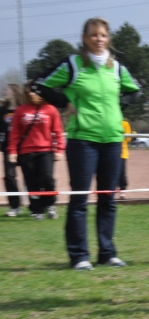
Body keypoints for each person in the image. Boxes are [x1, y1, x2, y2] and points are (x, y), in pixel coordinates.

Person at [32, 17, 141, 270]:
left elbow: (136, 90)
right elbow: (38, 84)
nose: (98, 39)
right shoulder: (72, 64)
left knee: (108, 199)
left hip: (113, 139)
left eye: (103, 35)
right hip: (83, 141)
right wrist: (64, 103)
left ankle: (107, 253)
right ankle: (79, 256)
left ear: (108, 38)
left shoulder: (116, 67)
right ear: (84, 38)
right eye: (93, 35)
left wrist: (118, 107)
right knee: (80, 199)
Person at [7, 81, 64, 220]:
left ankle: (50, 205)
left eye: (33, 91)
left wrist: (59, 149)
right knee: (32, 182)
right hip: (26, 152)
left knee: (47, 179)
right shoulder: (21, 110)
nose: (31, 94)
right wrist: (12, 151)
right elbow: (14, 133)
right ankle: (36, 209)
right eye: (28, 92)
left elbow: (58, 131)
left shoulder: (51, 109)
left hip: (46, 150)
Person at [1, 83, 27, 217]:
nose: (4, 91)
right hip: (8, 149)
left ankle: (38, 206)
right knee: (9, 177)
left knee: (32, 177)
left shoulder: (23, 109)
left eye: (7, 89)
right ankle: (15, 206)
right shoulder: (2, 110)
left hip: (25, 147)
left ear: (14, 92)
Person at [118, 118, 131, 200]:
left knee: (121, 172)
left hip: (122, 152)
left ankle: (123, 191)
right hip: (110, 151)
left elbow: (128, 138)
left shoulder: (125, 123)